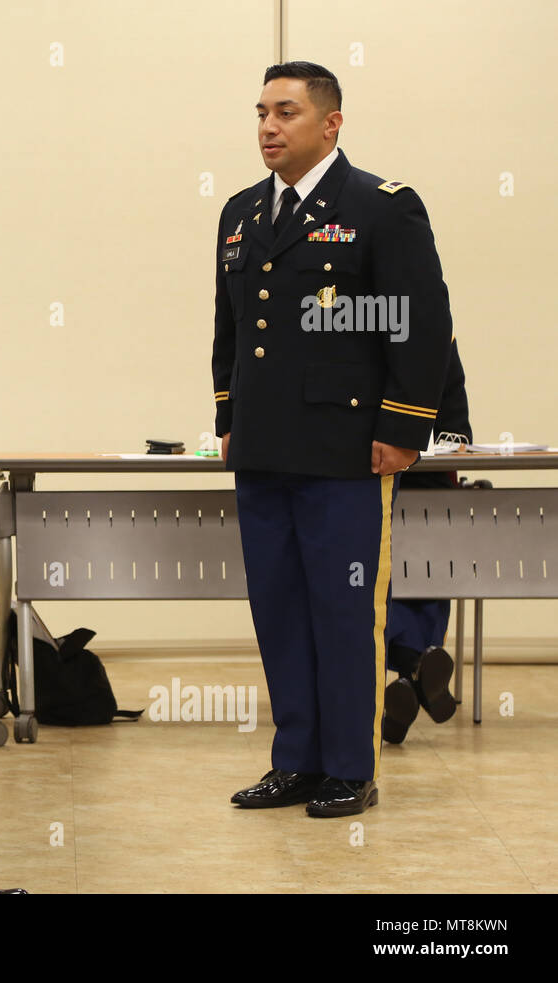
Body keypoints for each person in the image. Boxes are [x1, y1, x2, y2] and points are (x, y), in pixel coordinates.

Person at [213, 63, 453, 817]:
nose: (268, 127)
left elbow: (419, 324)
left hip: (347, 452)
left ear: (331, 123)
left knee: (344, 613)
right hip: (262, 449)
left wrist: (403, 426)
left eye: (285, 112)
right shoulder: (243, 213)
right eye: (260, 113)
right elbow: (229, 328)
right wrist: (228, 416)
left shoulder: (380, 208)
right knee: (280, 610)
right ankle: (297, 762)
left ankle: (350, 765)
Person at [382, 339, 472, 743]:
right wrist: (453, 443)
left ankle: (410, 673)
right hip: (426, 466)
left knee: (393, 577)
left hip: (379, 461)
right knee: (430, 573)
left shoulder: (356, 316)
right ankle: (418, 672)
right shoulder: (435, 324)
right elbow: (454, 410)